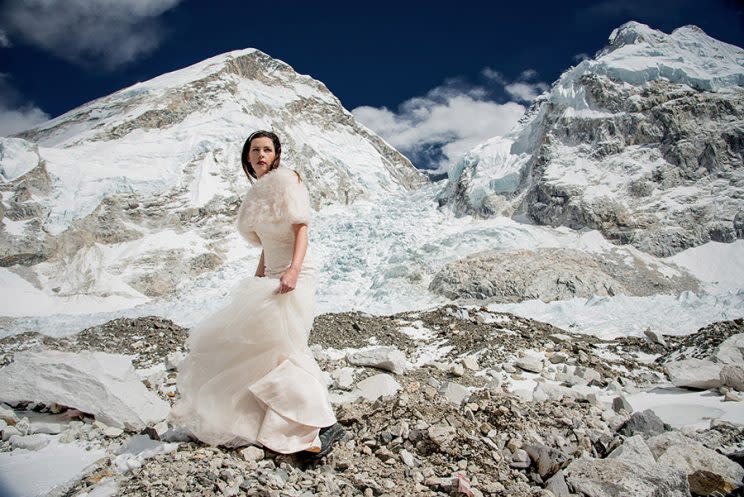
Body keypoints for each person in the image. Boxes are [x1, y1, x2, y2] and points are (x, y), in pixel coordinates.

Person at [169, 130, 344, 458]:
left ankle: (319, 425)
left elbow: (301, 229)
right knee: (259, 347)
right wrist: (259, 276)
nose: (261, 154)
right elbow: (266, 245)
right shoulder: (257, 193)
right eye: (255, 150)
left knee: (287, 346)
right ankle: (274, 424)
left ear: (276, 154)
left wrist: (292, 270)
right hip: (271, 276)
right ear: (247, 157)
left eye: (267, 149)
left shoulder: (286, 180)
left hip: (297, 273)